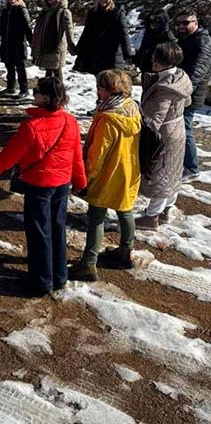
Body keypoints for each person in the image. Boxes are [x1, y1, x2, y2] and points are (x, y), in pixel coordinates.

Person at [0, 76, 86, 297]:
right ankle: (59, 276)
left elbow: (7, 158)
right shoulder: (70, 121)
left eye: (37, 90)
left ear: (46, 97)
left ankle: (41, 282)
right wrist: (81, 181)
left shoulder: (31, 127)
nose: (33, 93)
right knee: (57, 229)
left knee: (39, 234)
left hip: (39, 185)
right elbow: (77, 155)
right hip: (62, 183)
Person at [69, 70, 141, 280]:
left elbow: (97, 155)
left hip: (107, 174)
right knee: (125, 211)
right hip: (129, 170)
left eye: (100, 87)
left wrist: (85, 178)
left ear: (108, 91)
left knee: (96, 217)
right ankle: (125, 253)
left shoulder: (108, 118)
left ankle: (89, 264)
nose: (97, 90)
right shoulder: (132, 107)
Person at [136, 43, 193, 230]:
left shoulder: (165, 89)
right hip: (177, 128)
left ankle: (152, 217)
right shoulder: (181, 77)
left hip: (165, 135)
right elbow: (188, 101)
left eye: (156, 59)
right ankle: (166, 210)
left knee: (160, 174)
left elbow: (154, 120)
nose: (152, 60)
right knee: (172, 171)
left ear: (165, 62)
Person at [175, 8, 211, 182]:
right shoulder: (185, 39)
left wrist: (186, 89)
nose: (181, 26)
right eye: (179, 23)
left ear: (195, 23)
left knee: (185, 128)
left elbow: (199, 69)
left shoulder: (203, 40)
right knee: (179, 127)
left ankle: (191, 168)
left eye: (186, 23)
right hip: (181, 88)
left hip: (190, 92)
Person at [74, 0, 134, 76]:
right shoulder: (93, 13)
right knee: (100, 82)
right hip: (95, 54)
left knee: (111, 82)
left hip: (112, 55)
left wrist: (128, 54)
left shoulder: (117, 13)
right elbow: (86, 33)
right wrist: (79, 49)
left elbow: (124, 33)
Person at [31, 0, 77, 85]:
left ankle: (60, 95)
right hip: (45, 46)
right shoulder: (46, 11)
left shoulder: (64, 12)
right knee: (48, 71)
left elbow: (69, 30)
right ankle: (48, 95)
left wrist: (71, 46)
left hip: (56, 47)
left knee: (57, 72)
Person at [0, 0, 32, 97]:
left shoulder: (22, 9)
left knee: (20, 67)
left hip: (18, 43)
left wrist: (32, 42)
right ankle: (10, 87)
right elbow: (1, 28)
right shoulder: (5, 10)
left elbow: (27, 27)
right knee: (9, 66)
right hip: (7, 43)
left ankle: (24, 90)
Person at [133, 8, 176, 76]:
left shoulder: (168, 36)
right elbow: (143, 49)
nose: (152, 25)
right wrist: (136, 60)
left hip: (161, 72)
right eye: (150, 22)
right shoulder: (149, 33)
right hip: (146, 70)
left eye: (156, 22)